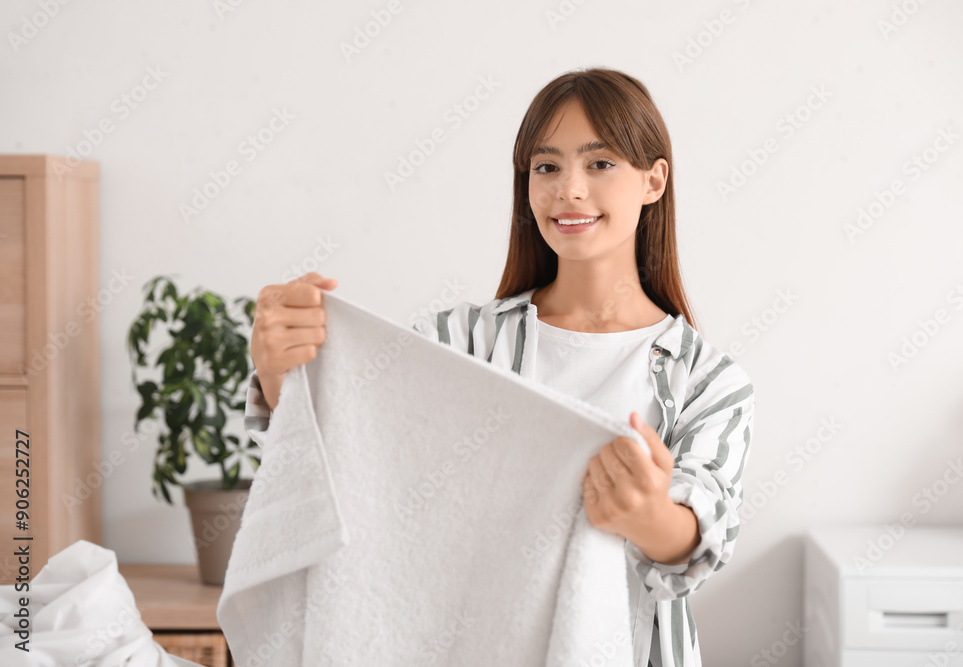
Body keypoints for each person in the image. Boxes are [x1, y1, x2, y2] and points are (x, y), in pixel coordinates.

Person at [244, 67, 755, 667]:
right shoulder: (456, 340)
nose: (569, 189)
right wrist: (281, 374)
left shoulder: (708, 381)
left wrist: (649, 518)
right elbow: (352, 464)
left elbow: (697, 546)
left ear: (653, 180)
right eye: (546, 167)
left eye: (599, 164)